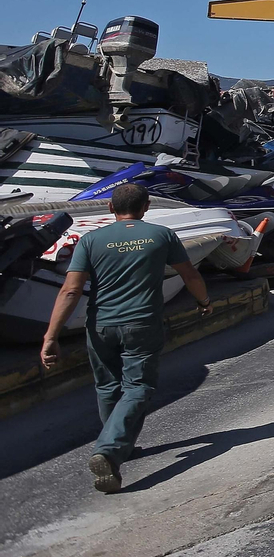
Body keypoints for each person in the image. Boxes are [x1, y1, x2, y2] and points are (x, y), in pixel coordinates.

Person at [39, 184, 212, 493]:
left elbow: (70, 291)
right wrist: (203, 302)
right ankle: (109, 448)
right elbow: (191, 276)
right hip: (142, 323)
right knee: (138, 387)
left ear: (110, 209)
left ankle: (123, 447)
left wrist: (51, 336)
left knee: (107, 387)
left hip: (101, 325)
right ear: (145, 207)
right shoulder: (161, 235)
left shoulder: (90, 241)